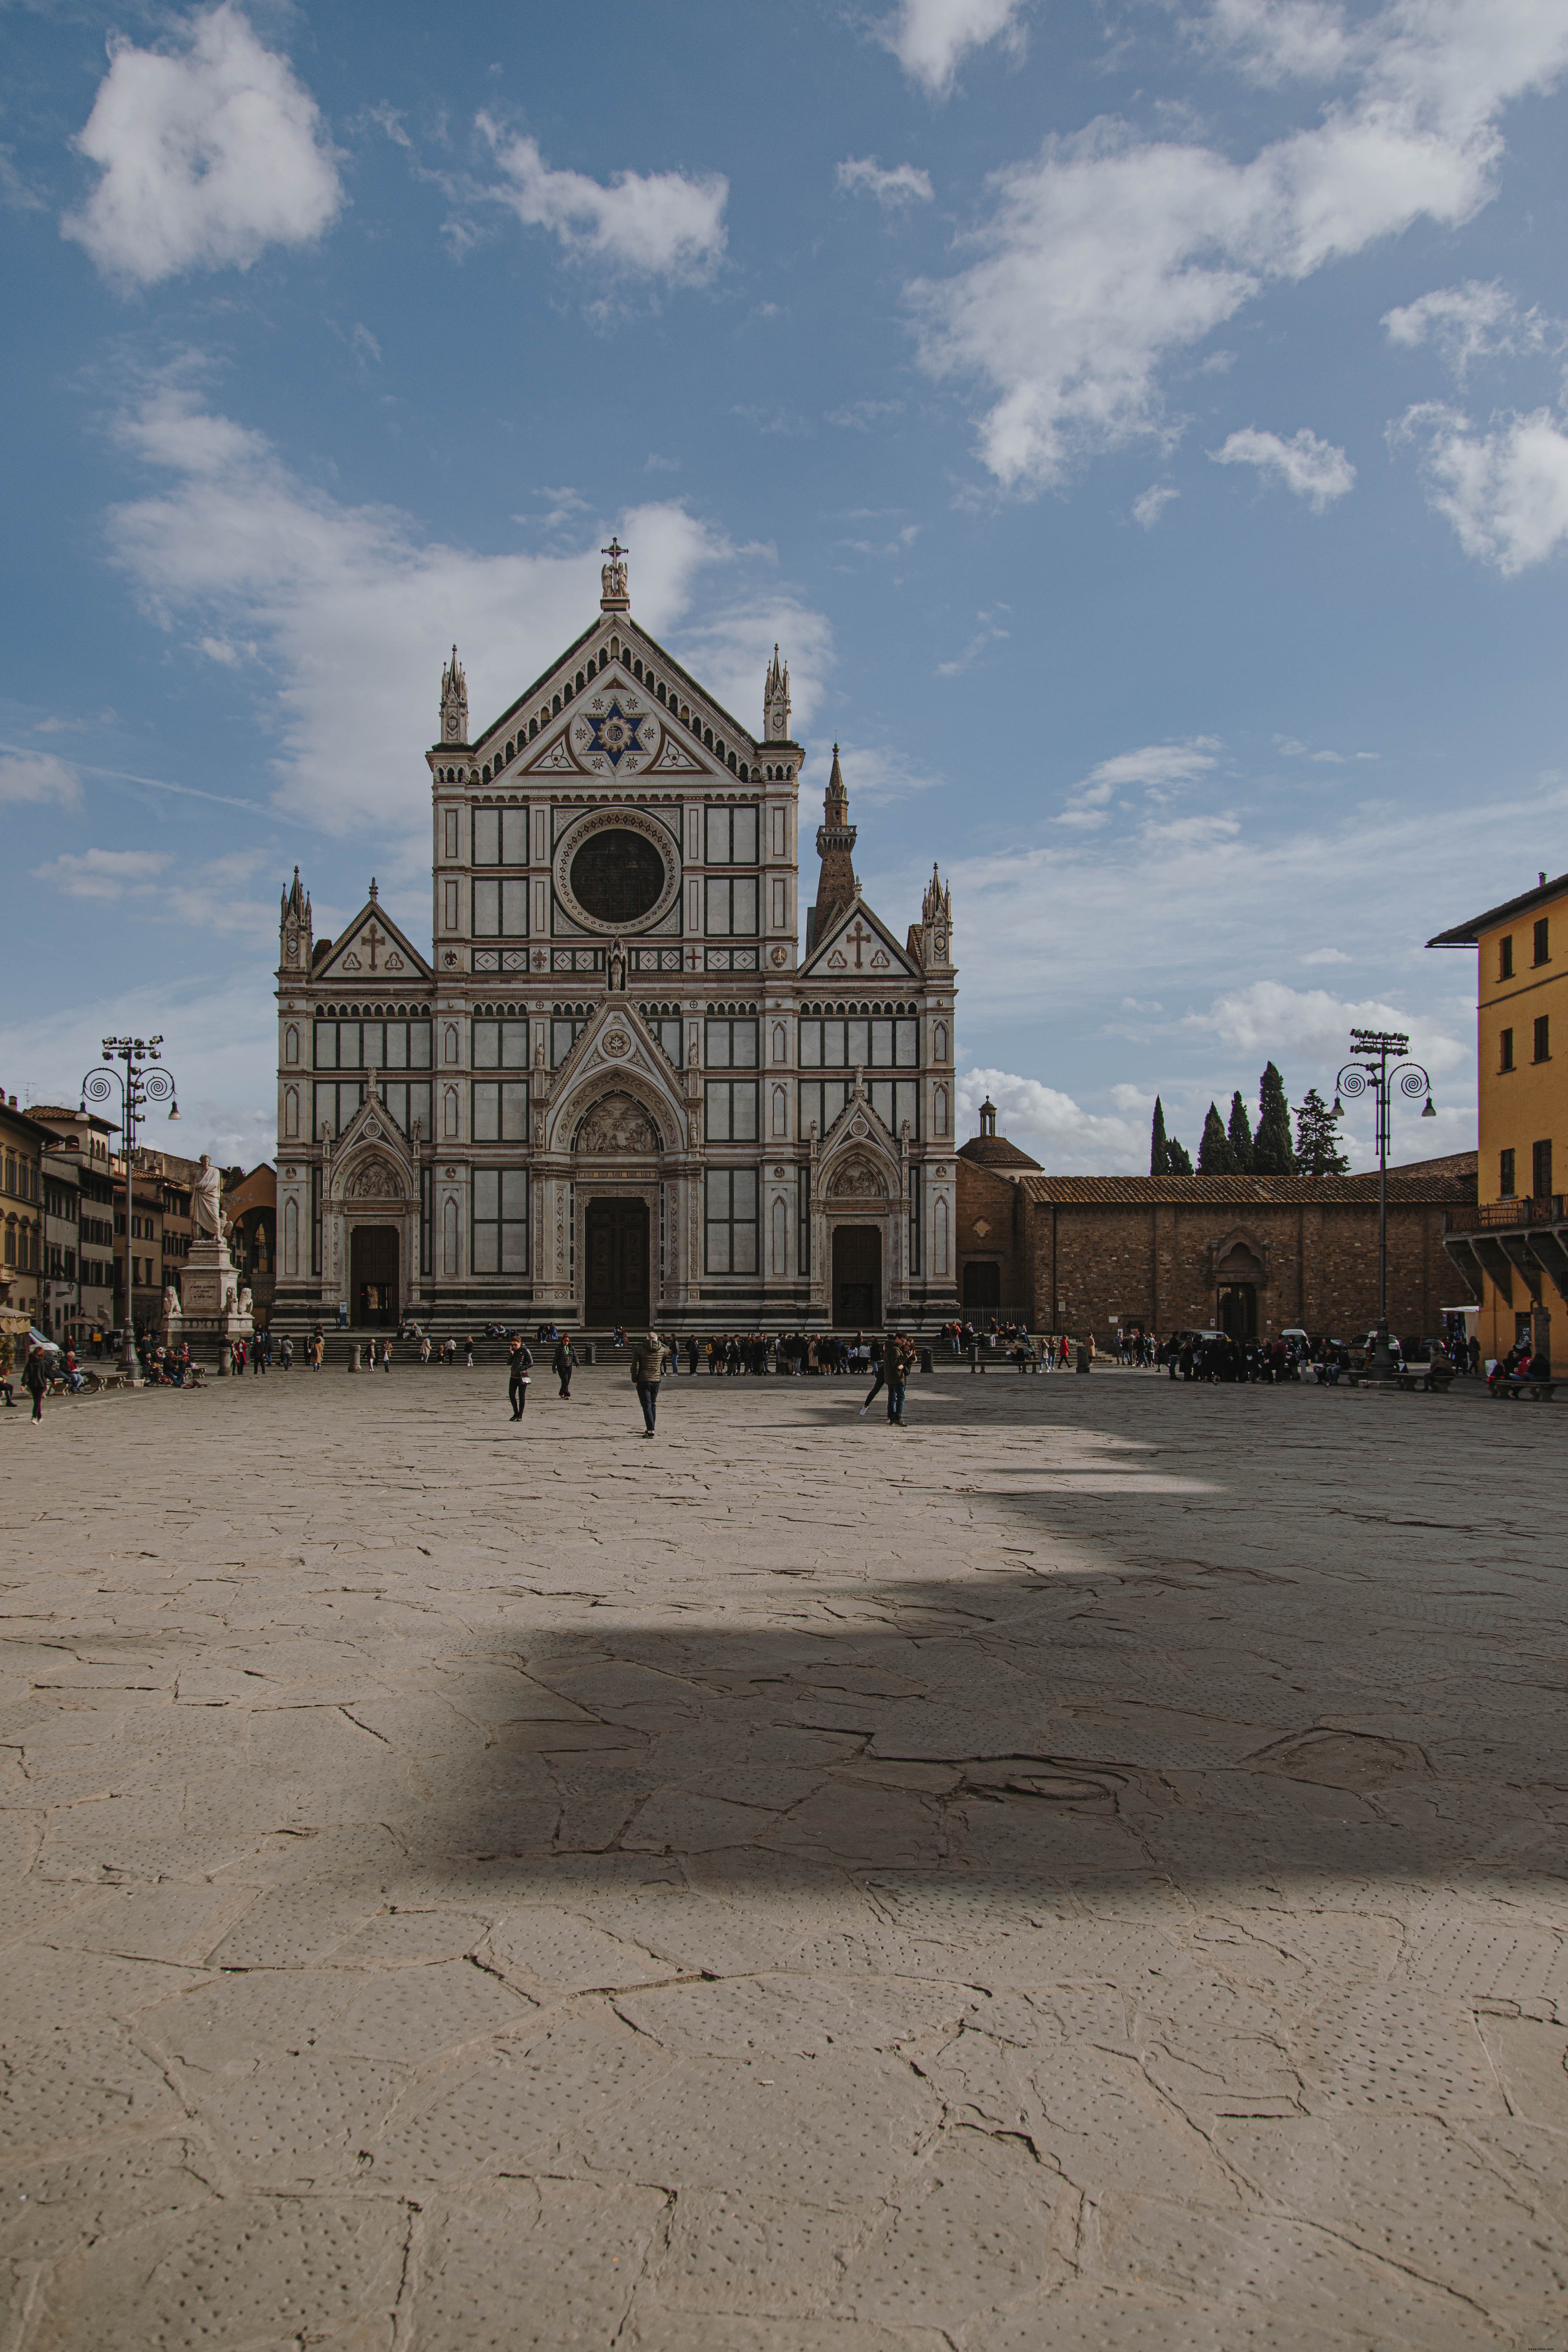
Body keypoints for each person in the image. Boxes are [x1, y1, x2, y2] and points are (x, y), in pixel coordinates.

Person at [631, 1330, 663, 1435]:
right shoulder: (661, 1349)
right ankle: (651, 1428)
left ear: (647, 1339)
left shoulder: (639, 1349)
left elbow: (635, 1367)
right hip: (656, 1381)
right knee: (652, 1404)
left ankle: (650, 1430)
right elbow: (668, 1350)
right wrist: (658, 1342)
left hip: (643, 1381)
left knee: (647, 1406)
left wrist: (635, 1380)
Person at [886, 1333, 913, 1426]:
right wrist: (906, 1357)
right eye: (903, 1342)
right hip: (897, 1377)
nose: (904, 1344)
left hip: (890, 1377)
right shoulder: (895, 1349)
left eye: (905, 1343)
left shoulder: (890, 1347)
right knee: (901, 1397)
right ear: (897, 1338)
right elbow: (896, 1363)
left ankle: (891, 1418)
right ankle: (897, 1418)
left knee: (892, 1398)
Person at [22, 1341, 50, 1424]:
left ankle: (40, 1417)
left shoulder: (30, 1362)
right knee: (38, 1401)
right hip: (41, 1384)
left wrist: (23, 1383)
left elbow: (26, 1374)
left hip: (32, 1384)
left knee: (37, 1401)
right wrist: (52, 1380)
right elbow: (48, 1373)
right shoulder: (44, 1362)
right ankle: (34, 1417)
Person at [859, 1336, 886, 1419]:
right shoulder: (887, 1350)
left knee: (894, 1396)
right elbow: (881, 1350)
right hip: (883, 1373)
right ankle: (865, 1406)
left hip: (894, 1375)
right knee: (875, 1390)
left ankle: (891, 1417)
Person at [507, 1335, 533, 1419]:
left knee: (521, 1396)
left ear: (520, 1343)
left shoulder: (525, 1350)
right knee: (511, 1395)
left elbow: (531, 1363)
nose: (514, 1347)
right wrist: (511, 1354)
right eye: (513, 1345)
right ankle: (516, 1412)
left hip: (522, 1376)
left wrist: (523, 1368)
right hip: (513, 1376)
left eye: (516, 1345)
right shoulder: (514, 1351)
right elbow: (509, 1363)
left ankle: (520, 1415)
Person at [553, 1332, 576, 1398]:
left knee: (567, 1381)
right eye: (565, 1341)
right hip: (561, 1366)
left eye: (568, 1341)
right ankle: (563, 1392)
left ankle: (563, 1393)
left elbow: (575, 1356)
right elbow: (556, 1358)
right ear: (562, 1341)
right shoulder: (559, 1349)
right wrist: (554, 1367)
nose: (566, 1342)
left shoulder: (571, 1348)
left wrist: (577, 1364)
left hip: (569, 1366)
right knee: (565, 1381)